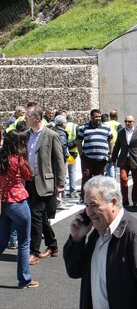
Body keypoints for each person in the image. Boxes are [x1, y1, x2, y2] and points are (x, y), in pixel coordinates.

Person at [64, 176, 137, 308]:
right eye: (86, 206)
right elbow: (74, 271)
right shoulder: (97, 234)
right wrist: (76, 240)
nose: (89, 213)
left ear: (113, 202)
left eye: (94, 205)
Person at [25, 106, 66, 264]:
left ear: (37, 118)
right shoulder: (26, 135)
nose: (25, 119)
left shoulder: (51, 135)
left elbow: (59, 161)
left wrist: (60, 183)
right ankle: (53, 245)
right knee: (41, 216)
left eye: (28, 116)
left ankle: (34, 252)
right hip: (29, 181)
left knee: (35, 215)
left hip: (45, 182)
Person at [0, 130, 39, 288]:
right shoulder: (18, 159)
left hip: (3, 203)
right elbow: (29, 175)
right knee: (24, 242)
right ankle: (25, 279)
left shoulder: (1, 159)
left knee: (2, 241)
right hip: (18, 202)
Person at [110, 115, 137, 206]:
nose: (127, 123)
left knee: (136, 181)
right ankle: (125, 201)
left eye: (130, 121)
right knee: (123, 179)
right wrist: (113, 159)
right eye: (126, 121)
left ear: (134, 122)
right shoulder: (121, 132)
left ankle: (135, 200)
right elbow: (117, 146)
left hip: (135, 160)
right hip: (123, 160)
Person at [77, 109, 113, 201]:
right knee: (86, 177)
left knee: (99, 179)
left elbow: (111, 141)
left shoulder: (106, 128)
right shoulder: (83, 128)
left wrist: (111, 153)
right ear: (91, 117)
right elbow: (79, 141)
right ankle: (84, 196)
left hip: (101, 159)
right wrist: (81, 154)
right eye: (96, 116)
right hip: (87, 158)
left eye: (99, 116)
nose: (98, 118)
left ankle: (98, 197)